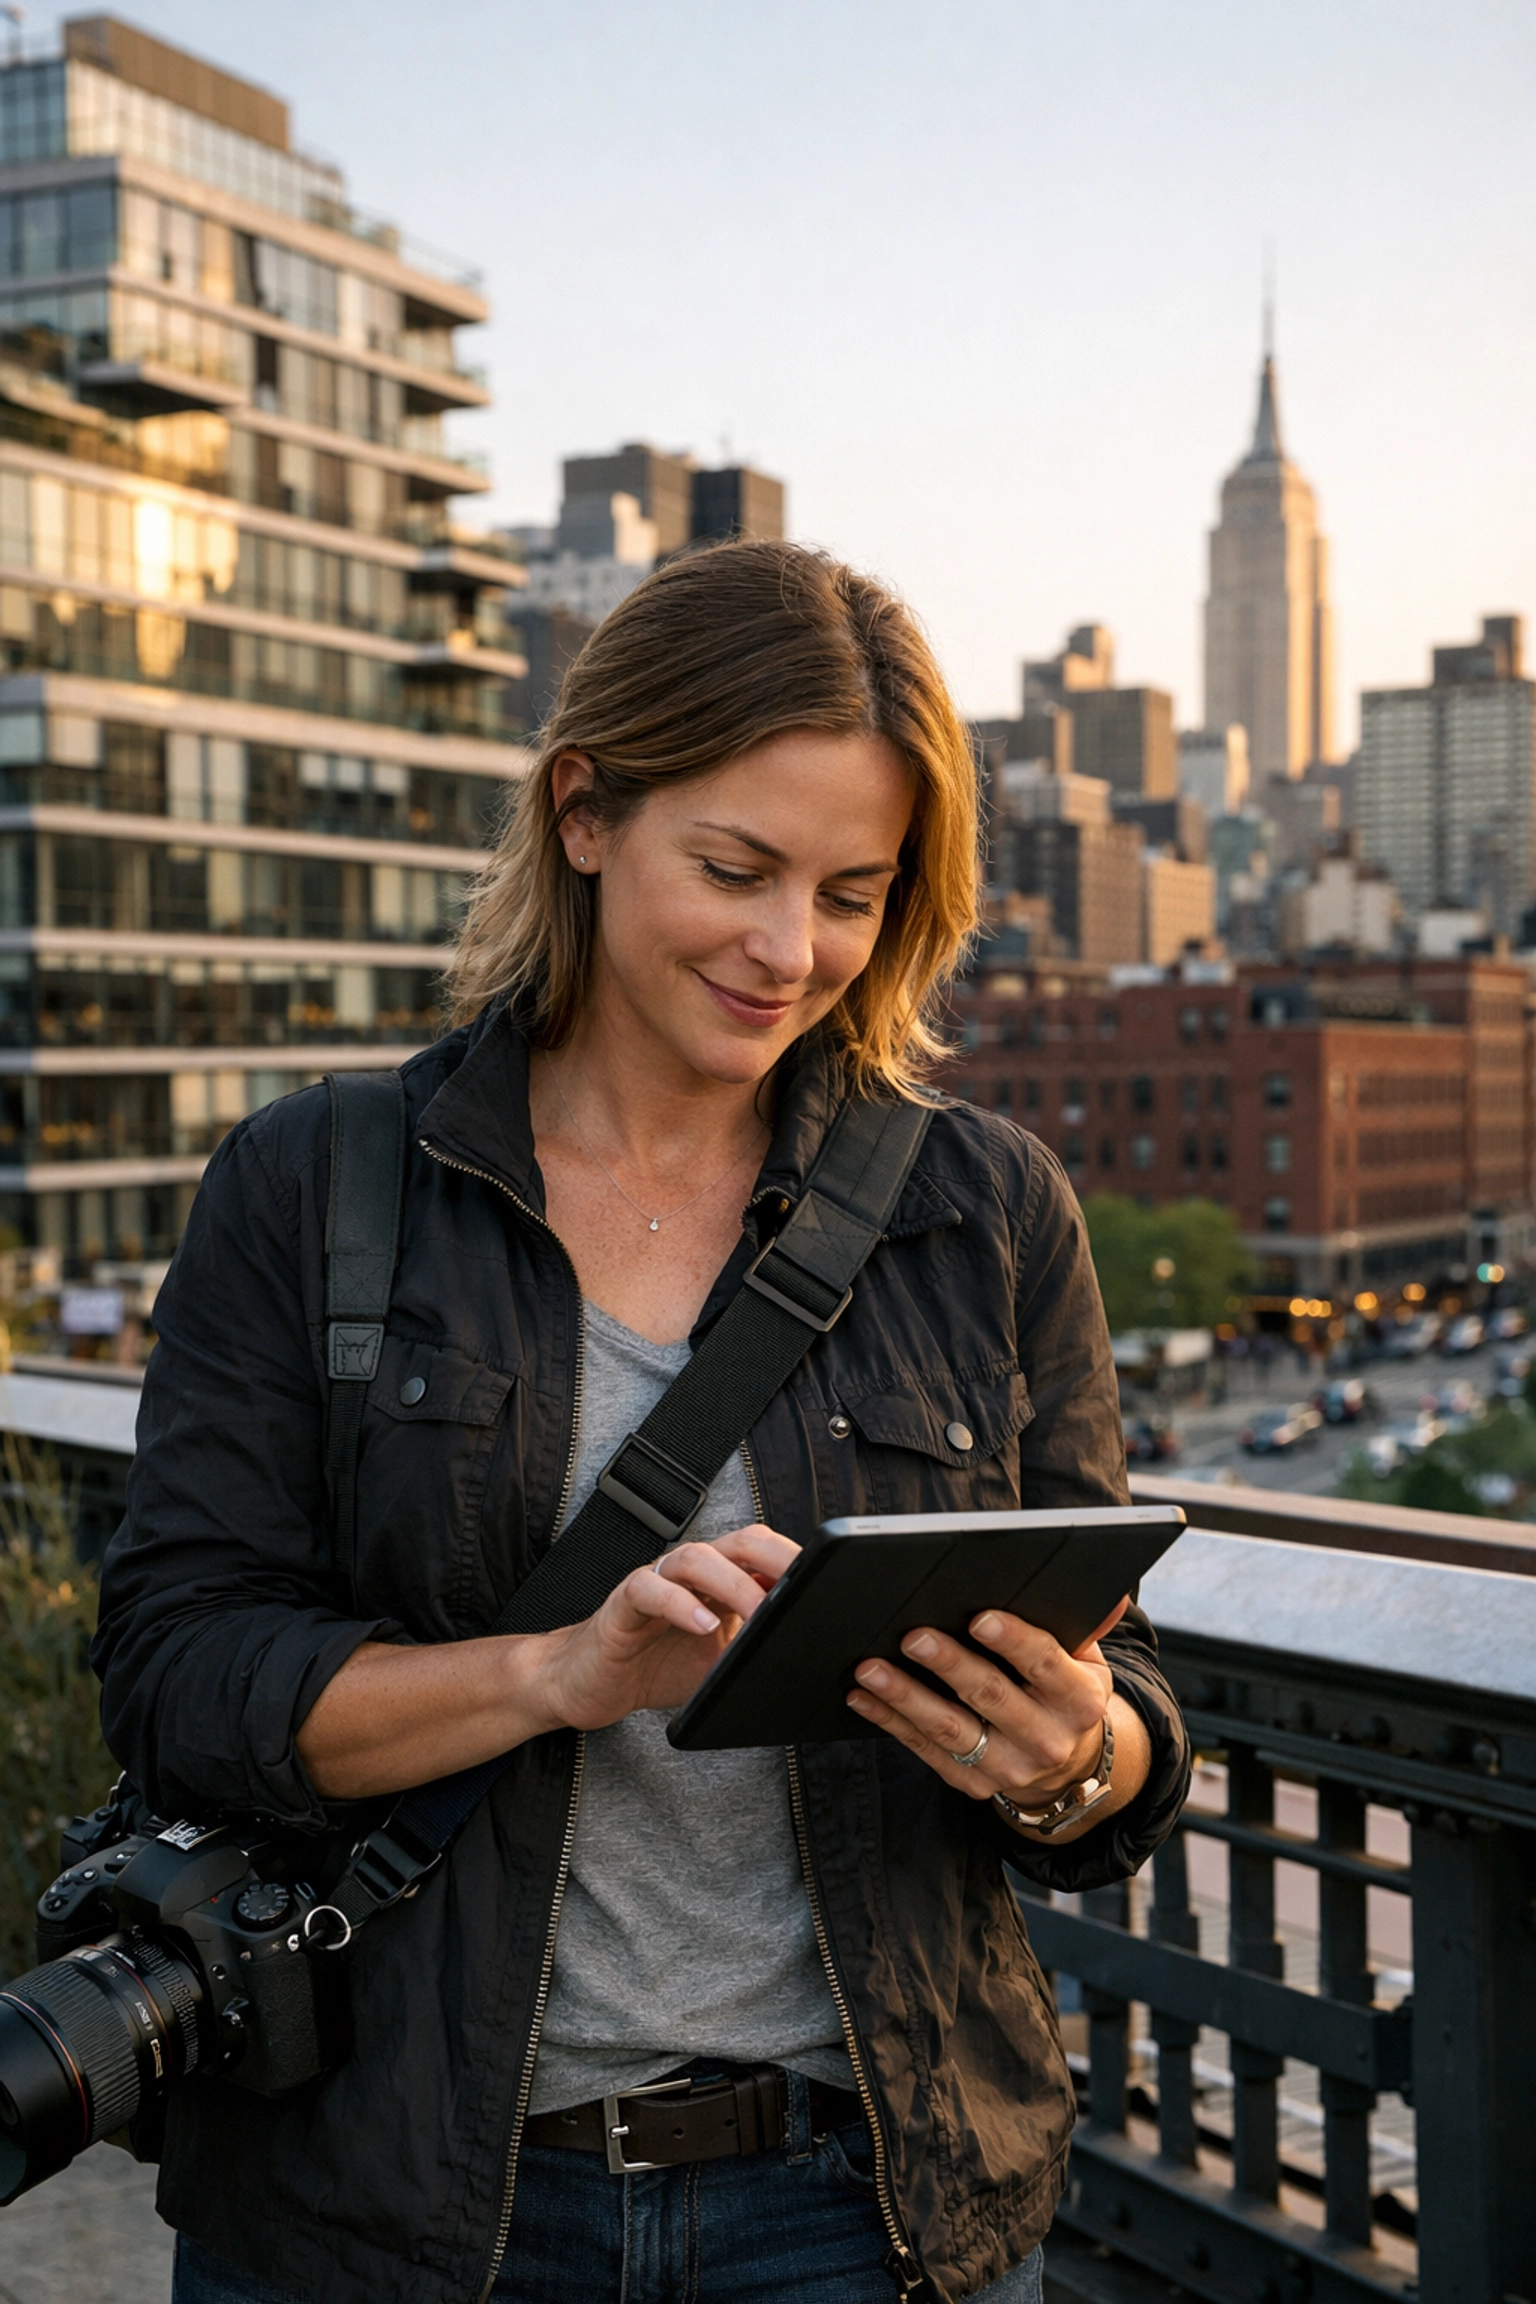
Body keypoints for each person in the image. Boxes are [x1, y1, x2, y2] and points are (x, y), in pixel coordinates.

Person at [93, 541, 1191, 2304]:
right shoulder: (314, 1183)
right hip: (395, 2215)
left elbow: (1126, 1721)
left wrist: (1075, 1758)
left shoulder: (987, 1211)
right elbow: (175, 1679)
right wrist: (557, 1674)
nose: (789, 951)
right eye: (736, 869)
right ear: (586, 814)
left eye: (852, 892)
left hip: (870, 2206)